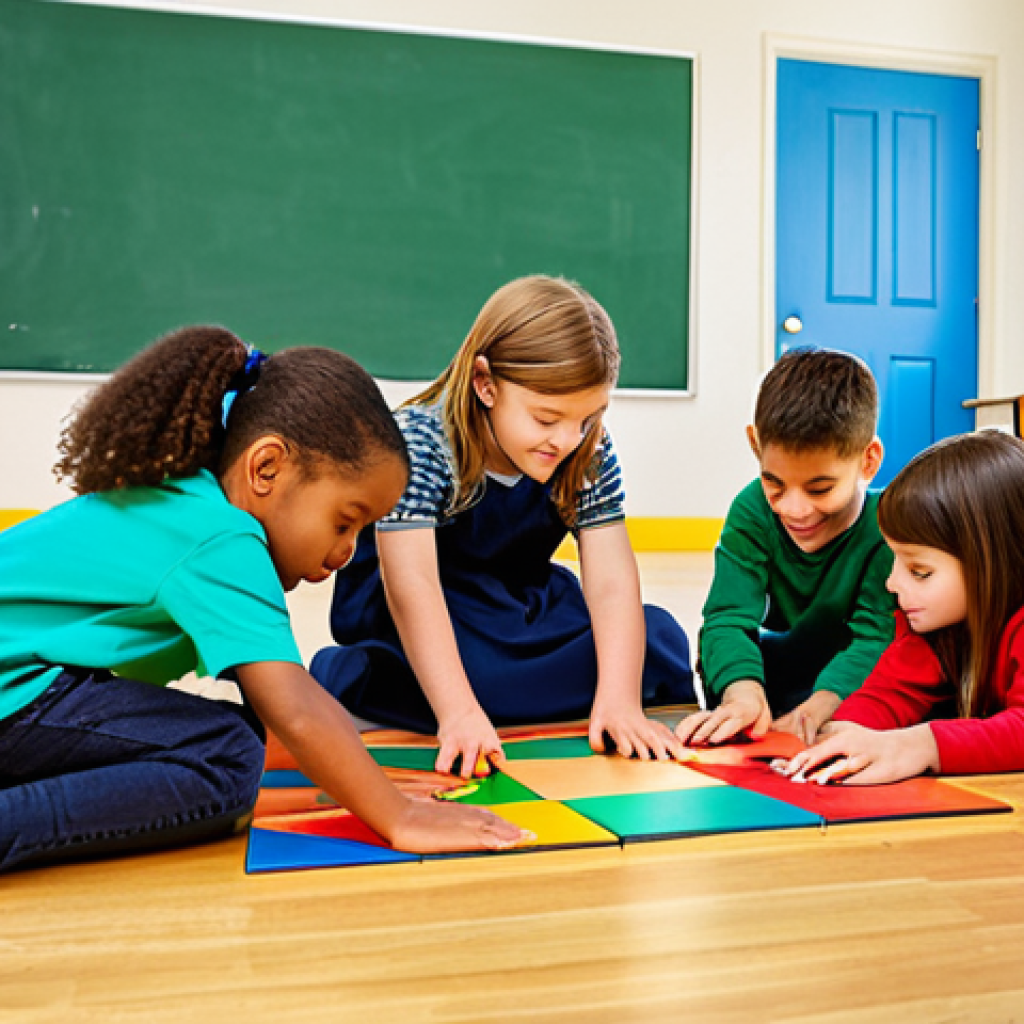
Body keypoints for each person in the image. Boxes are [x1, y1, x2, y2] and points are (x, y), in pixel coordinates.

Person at [0, 326, 526, 872]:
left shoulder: (192, 501)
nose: (348, 550)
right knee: (225, 753)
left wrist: (369, 775)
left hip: (23, 688)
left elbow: (279, 717)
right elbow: (295, 708)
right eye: (344, 522)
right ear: (266, 467)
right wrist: (397, 814)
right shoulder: (222, 539)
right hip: (15, 693)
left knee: (240, 734)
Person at [312, 275, 695, 777]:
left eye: (586, 419)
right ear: (485, 383)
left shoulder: (588, 449)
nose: (567, 439)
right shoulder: (421, 441)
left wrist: (620, 702)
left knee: (658, 637)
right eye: (545, 418)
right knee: (476, 676)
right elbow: (413, 587)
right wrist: (459, 713)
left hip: (516, 604)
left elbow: (610, 581)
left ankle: (520, 692)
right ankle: (364, 677)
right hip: (429, 610)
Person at [777, 431, 1024, 784]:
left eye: (919, 571)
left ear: (996, 565)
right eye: (894, 560)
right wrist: (843, 732)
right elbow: (891, 692)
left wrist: (920, 745)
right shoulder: (936, 625)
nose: (892, 584)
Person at [676, 346, 894, 748]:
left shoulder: (888, 526)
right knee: (717, 656)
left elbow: (875, 639)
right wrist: (742, 690)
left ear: (868, 461)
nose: (795, 510)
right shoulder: (752, 509)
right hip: (774, 677)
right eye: (775, 484)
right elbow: (727, 617)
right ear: (755, 445)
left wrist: (823, 704)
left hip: (849, 685)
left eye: (820, 488)